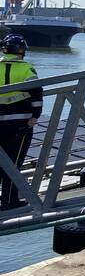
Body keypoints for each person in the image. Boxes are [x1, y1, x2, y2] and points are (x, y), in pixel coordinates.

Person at [0, 35, 41, 210]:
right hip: (20, 122)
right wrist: (35, 115)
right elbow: (37, 94)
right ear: (22, 50)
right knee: (14, 162)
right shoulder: (27, 69)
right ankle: (9, 201)